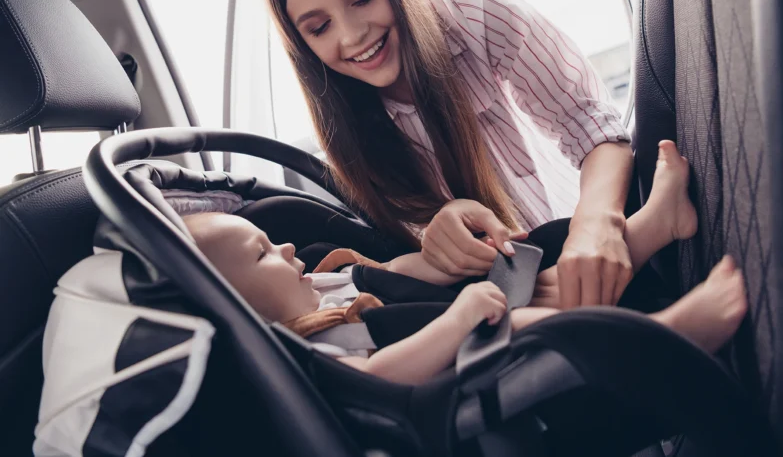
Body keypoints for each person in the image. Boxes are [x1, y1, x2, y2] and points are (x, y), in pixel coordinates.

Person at [263, 0, 639, 309]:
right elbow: (436, 265)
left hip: (592, 223)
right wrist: (441, 237)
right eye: (320, 27)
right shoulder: (348, 129)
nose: (353, 35)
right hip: (519, 297)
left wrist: (596, 225)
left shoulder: (467, 5)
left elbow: (590, 124)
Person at [183, 143, 746, 385]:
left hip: (461, 304)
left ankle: (653, 223)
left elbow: (394, 272)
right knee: (528, 319)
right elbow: (378, 374)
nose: (284, 249)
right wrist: (457, 321)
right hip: (463, 356)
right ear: (244, 311)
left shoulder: (321, 281)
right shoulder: (304, 347)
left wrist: (435, 264)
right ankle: (668, 339)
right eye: (263, 254)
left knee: (548, 255)